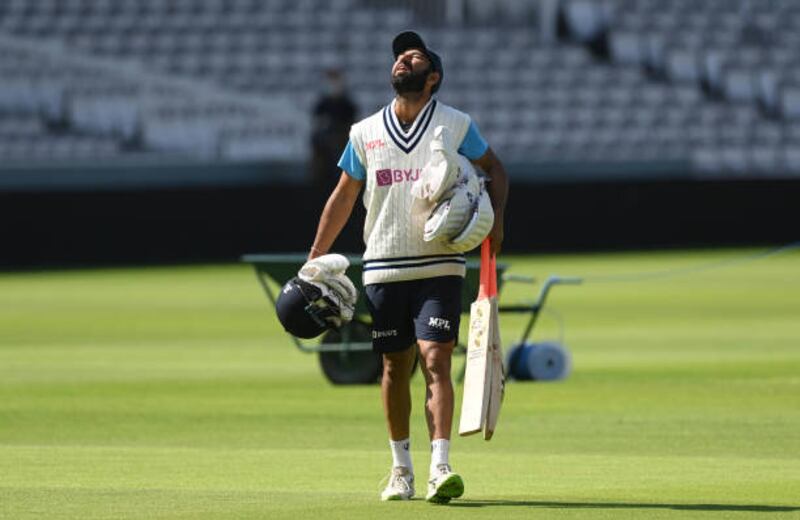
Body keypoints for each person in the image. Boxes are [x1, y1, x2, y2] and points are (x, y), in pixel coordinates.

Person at [307, 31, 508, 503]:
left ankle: (441, 467)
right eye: (399, 57)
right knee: (395, 367)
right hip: (383, 267)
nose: (402, 61)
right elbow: (344, 195)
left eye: (413, 57)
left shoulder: (456, 125)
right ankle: (401, 470)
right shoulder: (363, 132)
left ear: (432, 76)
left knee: (435, 359)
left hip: (440, 263)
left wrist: (497, 222)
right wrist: (316, 254)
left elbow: (496, 169)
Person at [310, 69, 358, 188]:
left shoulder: (348, 104)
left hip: (343, 140)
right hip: (325, 141)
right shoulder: (322, 104)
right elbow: (317, 124)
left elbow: (353, 126)